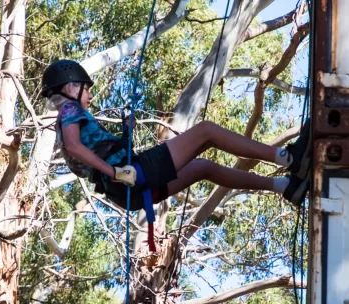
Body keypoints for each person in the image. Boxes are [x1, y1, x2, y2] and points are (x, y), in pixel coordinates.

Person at [42, 59, 310, 212]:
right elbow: (76, 147)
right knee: (206, 131)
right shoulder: (69, 109)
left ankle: (285, 187)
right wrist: (115, 172)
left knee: (204, 168)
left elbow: (92, 154)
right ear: (70, 87)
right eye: (86, 88)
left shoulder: (68, 116)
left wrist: (125, 133)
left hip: (128, 194)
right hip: (130, 177)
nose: (89, 94)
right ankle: (288, 158)